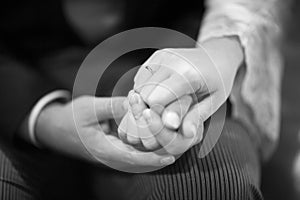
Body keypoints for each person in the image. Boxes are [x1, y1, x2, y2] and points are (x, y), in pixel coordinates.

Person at [0, 0, 287, 199]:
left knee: (212, 187)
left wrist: (221, 50)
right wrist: (44, 117)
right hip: (15, 74)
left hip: (174, 59)